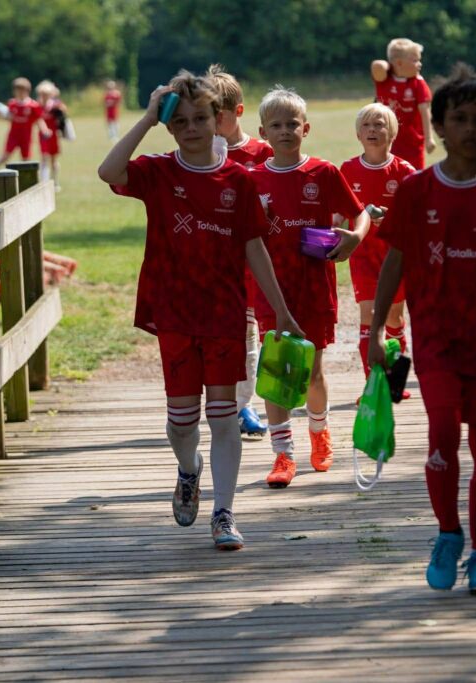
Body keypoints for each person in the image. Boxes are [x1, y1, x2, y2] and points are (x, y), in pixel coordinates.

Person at [97, 70, 302, 551]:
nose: (191, 128)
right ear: (170, 126)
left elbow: (254, 247)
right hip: (174, 312)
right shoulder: (158, 171)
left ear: (219, 119)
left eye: (201, 118)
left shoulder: (239, 180)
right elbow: (109, 172)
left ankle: (224, 513)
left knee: (224, 417)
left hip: (224, 313)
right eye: (181, 121)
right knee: (182, 423)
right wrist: (148, 117)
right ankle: (189, 469)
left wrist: (281, 310)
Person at [369, 63, 476, 594]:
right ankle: (448, 533)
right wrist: (376, 330)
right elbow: (395, 261)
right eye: (459, 118)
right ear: (440, 126)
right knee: (443, 432)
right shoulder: (416, 191)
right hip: (437, 341)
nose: (470, 128)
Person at [250, 86, 370, 488]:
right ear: (263, 132)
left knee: (312, 370)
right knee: (275, 370)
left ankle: (319, 433)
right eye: (276, 125)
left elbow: (359, 215)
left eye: (292, 124)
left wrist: (354, 238)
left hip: (314, 288)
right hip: (271, 291)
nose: (285, 131)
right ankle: (283, 454)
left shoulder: (323, 173)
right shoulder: (252, 180)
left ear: (306, 128)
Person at [206, 64, 274, 439]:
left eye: (221, 115)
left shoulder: (262, 152)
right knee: (230, 337)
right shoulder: (200, 153)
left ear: (239, 111)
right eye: (207, 115)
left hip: (257, 262)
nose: (214, 124)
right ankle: (232, 404)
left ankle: (245, 403)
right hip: (217, 265)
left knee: (257, 336)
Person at [339, 103, 415, 390]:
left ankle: (395, 383)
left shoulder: (405, 171)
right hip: (363, 256)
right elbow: (337, 213)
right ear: (358, 134)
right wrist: (331, 230)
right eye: (366, 125)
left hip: (395, 257)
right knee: (369, 316)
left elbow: (418, 217)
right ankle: (373, 386)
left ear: (392, 133)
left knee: (394, 318)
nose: (372, 130)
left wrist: (391, 218)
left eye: (379, 124)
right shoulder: (347, 170)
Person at [370, 38, 436, 169]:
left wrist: (429, 138)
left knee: (414, 176)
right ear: (399, 63)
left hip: (413, 144)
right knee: (387, 176)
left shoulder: (418, 82)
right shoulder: (384, 79)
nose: (419, 64)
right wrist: (389, 66)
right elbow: (377, 66)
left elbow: (425, 111)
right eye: (415, 60)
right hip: (385, 141)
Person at [0, 77, 48, 171]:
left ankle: (26, 177)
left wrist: (45, 130)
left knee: (26, 160)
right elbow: (10, 118)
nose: (19, 93)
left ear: (27, 91)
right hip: (13, 135)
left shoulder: (33, 105)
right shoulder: (12, 103)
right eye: (17, 90)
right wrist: (1, 115)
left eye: (22, 90)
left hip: (26, 136)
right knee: (5, 156)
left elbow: (39, 119)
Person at [36, 80, 67, 189]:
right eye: (42, 94)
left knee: (54, 160)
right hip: (43, 136)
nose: (44, 96)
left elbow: (63, 114)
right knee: (44, 158)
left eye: (46, 94)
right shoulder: (38, 106)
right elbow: (37, 120)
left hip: (54, 135)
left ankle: (55, 182)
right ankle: (44, 182)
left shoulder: (55, 105)